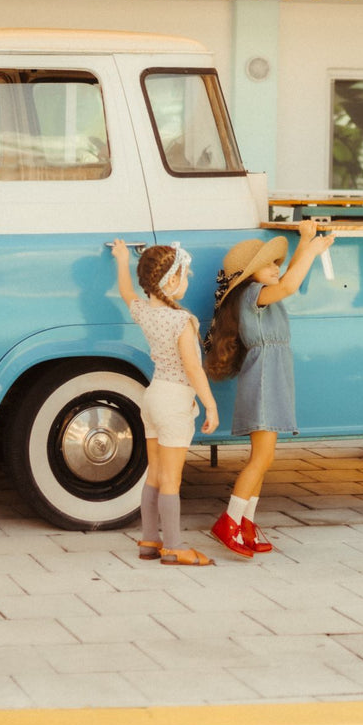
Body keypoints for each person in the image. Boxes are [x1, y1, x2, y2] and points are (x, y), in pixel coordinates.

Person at [202, 221, 334, 558]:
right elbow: (290, 283)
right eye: (267, 264)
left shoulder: (261, 293)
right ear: (248, 275)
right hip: (264, 378)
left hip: (273, 376)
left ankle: (246, 522)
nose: (275, 268)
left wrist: (305, 241)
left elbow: (287, 275)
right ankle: (229, 521)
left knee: (264, 457)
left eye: (275, 262)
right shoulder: (252, 296)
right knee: (261, 457)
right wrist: (314, 252)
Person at [111, 240, 219, 567]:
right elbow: (192, 368)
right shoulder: (181, 321)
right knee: (172, 478)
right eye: (185, 275)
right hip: (174, 400)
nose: (188, 280)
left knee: (154, 474)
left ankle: (149, 540)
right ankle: (173, 546)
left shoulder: (145, 311)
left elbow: (127, 291)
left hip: (153, 395)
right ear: (171, 281)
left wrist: (120, 259)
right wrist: (210, 404)